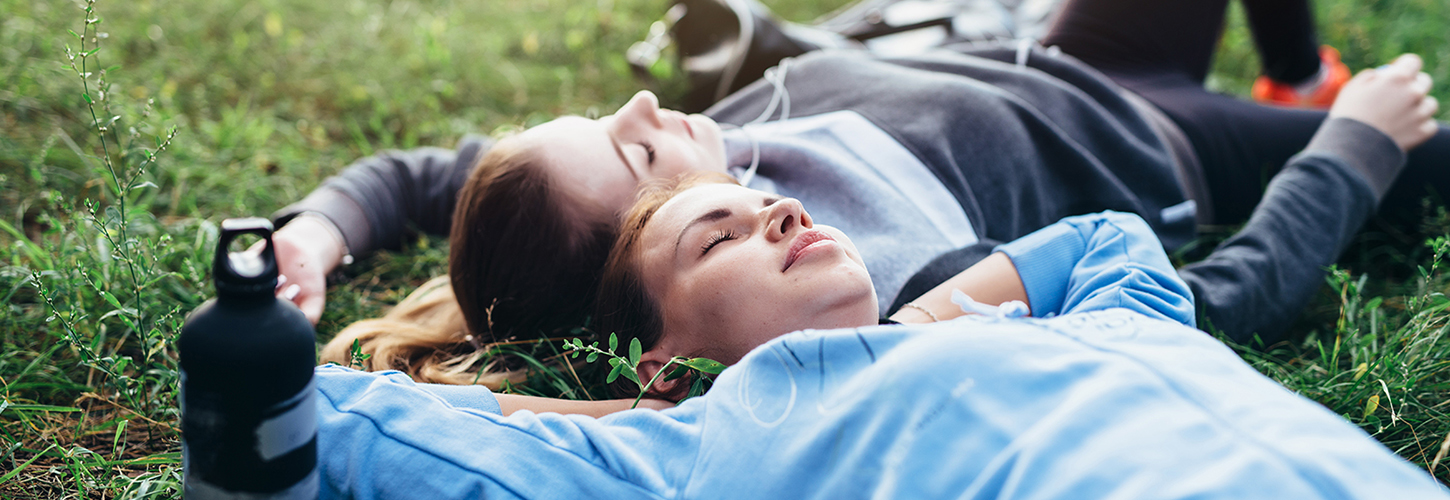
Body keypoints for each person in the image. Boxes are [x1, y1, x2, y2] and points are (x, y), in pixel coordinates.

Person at [289, 0, 1444, 383]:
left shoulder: (710, 148)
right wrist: (1345, 151)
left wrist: (315, 228)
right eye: (632, 156)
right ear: (640, 250)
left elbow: (418, 175)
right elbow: (1201, 299)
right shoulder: (843, 275)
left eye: (606, 118)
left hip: (1054, 46)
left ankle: (1299, 70)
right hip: (1162, 133)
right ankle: (1308, 105)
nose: (638, 113)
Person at [309, 175, 1449, 498]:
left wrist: (915, 323)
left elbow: (1105, 236)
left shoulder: (1107, 309)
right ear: (666, 357)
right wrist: (647, 410)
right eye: (719, 237)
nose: (782, 210)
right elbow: (346, 417)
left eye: (768, 202)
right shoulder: (712, 449)